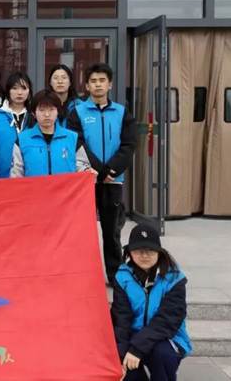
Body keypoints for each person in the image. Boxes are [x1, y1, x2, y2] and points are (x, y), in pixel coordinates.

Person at [68, 63, 136, 284]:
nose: (98, 85)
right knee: (83, 231)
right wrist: (99, 171)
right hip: (86, 180)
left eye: (102, 80)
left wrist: (111, 170)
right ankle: (83, 276)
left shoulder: (122, 112)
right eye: (93, 81)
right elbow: (77, 143)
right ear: (87, 86)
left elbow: (128, 145)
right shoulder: (77, 113)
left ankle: (115, 276)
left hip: (113, 180)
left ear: (110, 84)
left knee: (111, 231)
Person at [111, 224, 192, 381]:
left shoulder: (174, 279)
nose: (144, 255)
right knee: (125, 370)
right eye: (138, 250)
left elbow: (167, 321)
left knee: (163, 354)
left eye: (150, 250)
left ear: (159, 252)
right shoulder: (122, 278)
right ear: (129, 252)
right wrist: (121, 356)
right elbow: (121, 320)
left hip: (166, 338)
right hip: (133, 337)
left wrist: (137, 349)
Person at [10, 90, 94, 177]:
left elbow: (81, 166)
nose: (47, 114)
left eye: (51, 109)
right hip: (34, 186)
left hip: (65, 186)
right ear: (34, 113)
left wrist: (87, 171)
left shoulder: (72, 138)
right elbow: (16, 173)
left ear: (58, 111)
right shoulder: (22, 140)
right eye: (42, 110)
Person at [0, 71, 35, 178]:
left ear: (29, 91)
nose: (19, 93)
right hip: (2, 177)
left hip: (31, 177)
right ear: (8, 90)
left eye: (24, 88)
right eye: (14, 88)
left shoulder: (34, 117)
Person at [47, 64, 82, 129]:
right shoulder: (45, 105)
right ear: (50, 82)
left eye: (64, 78)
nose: (60, 81)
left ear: (70, 82)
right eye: (55, 78)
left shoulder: (79, 105)